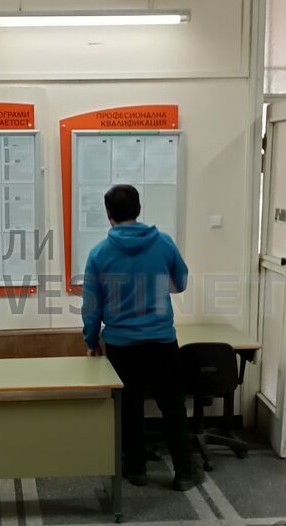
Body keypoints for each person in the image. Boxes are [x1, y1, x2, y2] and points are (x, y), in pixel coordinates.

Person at [81, 184, 199, 491]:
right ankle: (184, 472)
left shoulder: (99, 254)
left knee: (129, 407)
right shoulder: (164, 243)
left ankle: (136, 470)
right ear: (139, 209)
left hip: (121, 345)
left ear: (109, 214)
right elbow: (180, 283)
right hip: (161, 341)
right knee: (172, 407)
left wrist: (91, 341)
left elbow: (91, 306)